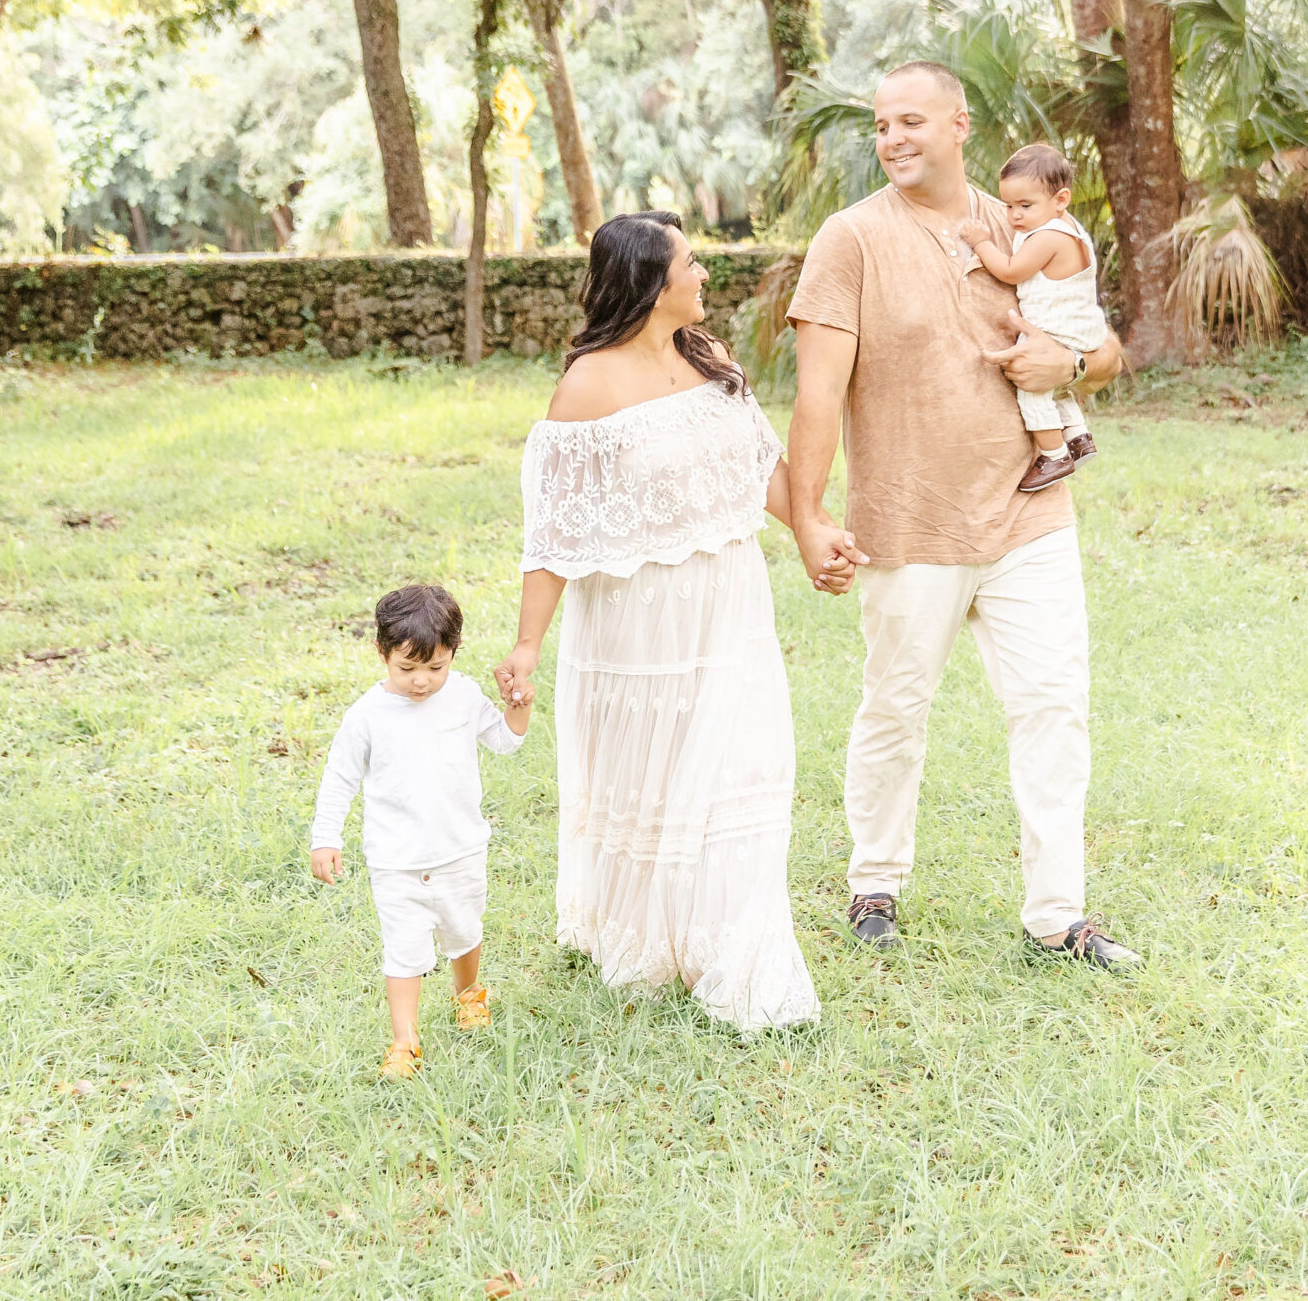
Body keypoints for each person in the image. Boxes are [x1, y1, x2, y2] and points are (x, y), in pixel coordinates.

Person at [784, 61, 1142, 970]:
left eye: (911, 120)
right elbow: (818, 393)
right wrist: (807, 513)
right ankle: (876, 882)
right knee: (897, 707)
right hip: (910, 520)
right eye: (880, 124)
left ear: (958, 124)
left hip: (1030, 512)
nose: (893, 137)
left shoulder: (1025, 222)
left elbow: (1104, 347)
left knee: (1054, 708)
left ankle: (1059, 917)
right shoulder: (850, 238)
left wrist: (1072, 370)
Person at [494, 211, 831, 1032]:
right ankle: (651, 936)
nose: (705, 274)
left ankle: (738, 949)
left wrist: (816, 533)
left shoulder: (710, 360)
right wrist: (528, 643)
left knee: (741, 767)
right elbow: (554, 532)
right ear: (651, 282)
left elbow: (764, 469)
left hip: (728, 604)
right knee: (651, 776)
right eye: (691, 263)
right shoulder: (587, 386)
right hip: (635, 624)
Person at [309, 584, 529, 1080]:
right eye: (406, 669)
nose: (422, 682)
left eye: (436, 667)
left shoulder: (465, 696)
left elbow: (506, 741)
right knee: (403, 948)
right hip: (396, 859)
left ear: (453, 653)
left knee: (464, 928)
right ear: (383, 654)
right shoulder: (367, 716)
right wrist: (327, 837)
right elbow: (339, 776)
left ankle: (469, 995)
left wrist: (519, 704)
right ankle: (404, 1040)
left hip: (459, 848)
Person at [956, 143, 1107, 492]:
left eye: (1026, 206)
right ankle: (1078, 438)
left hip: (1056, 327)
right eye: (1009, 206)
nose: (1015, 216)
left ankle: (1054, 455)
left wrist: (981, 243)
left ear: (1061, 199)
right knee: (1056, 389)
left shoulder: (1049, 236)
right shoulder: (1069, 227)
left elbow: (1010, 271)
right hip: (1078, 326)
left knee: (1032, 389)